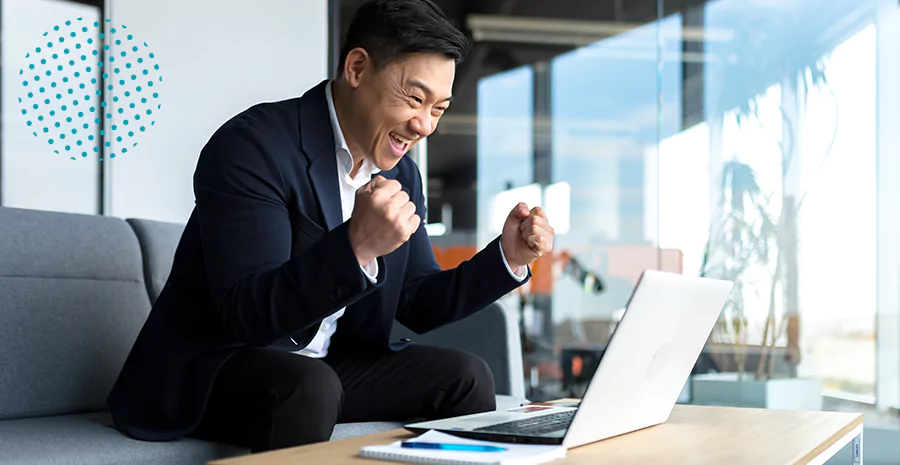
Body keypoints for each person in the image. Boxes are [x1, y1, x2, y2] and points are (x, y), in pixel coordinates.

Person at [107, 0, 555, 453]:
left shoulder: (401, 174)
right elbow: (250, 315)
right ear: (357, 68)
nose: (424, 125)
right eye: (415, 98)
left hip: (324, 366)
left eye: (439, 108)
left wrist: (507, 259)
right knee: (308, 386)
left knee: (466, 376)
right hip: (215, 367)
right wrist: (356, 249)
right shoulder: (253, 147)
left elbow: (416, 301)